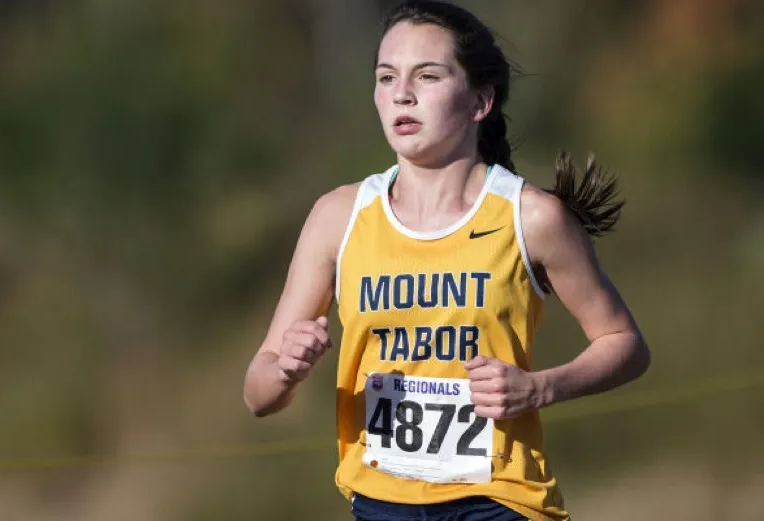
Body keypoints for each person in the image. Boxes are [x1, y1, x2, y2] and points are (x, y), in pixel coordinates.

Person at [243, 1, 650, 520]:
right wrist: (287, 370)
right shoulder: (337, 217)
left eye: (427, 76)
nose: (402, 94)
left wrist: (539, 387)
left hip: (498, 504)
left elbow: (626, 345)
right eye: (386, 77)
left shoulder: (532, 218)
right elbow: (258, 393)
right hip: (380, 505)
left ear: (480, 100)